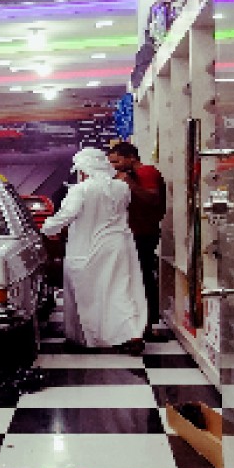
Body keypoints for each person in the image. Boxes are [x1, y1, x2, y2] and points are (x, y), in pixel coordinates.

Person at [40, 147, 147, 354]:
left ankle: (89, 338)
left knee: (89, 295)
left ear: (84, 169)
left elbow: (66, 215)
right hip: (118, 245)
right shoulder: (121, 188)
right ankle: (131, 334)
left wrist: (46, 229)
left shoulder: (81, 190)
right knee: (120, 291)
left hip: (88, 248)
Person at [107, 142, 167, 341]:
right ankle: (140, 323)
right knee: (136, 278)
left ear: (131, 157)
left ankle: (148, 324)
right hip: (134, 233)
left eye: (117, 161)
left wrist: (129, 184)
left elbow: (152, 199)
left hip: (144, 233)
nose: (114, 166)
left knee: (143, 278)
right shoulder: (130, 175)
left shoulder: (147, 172)